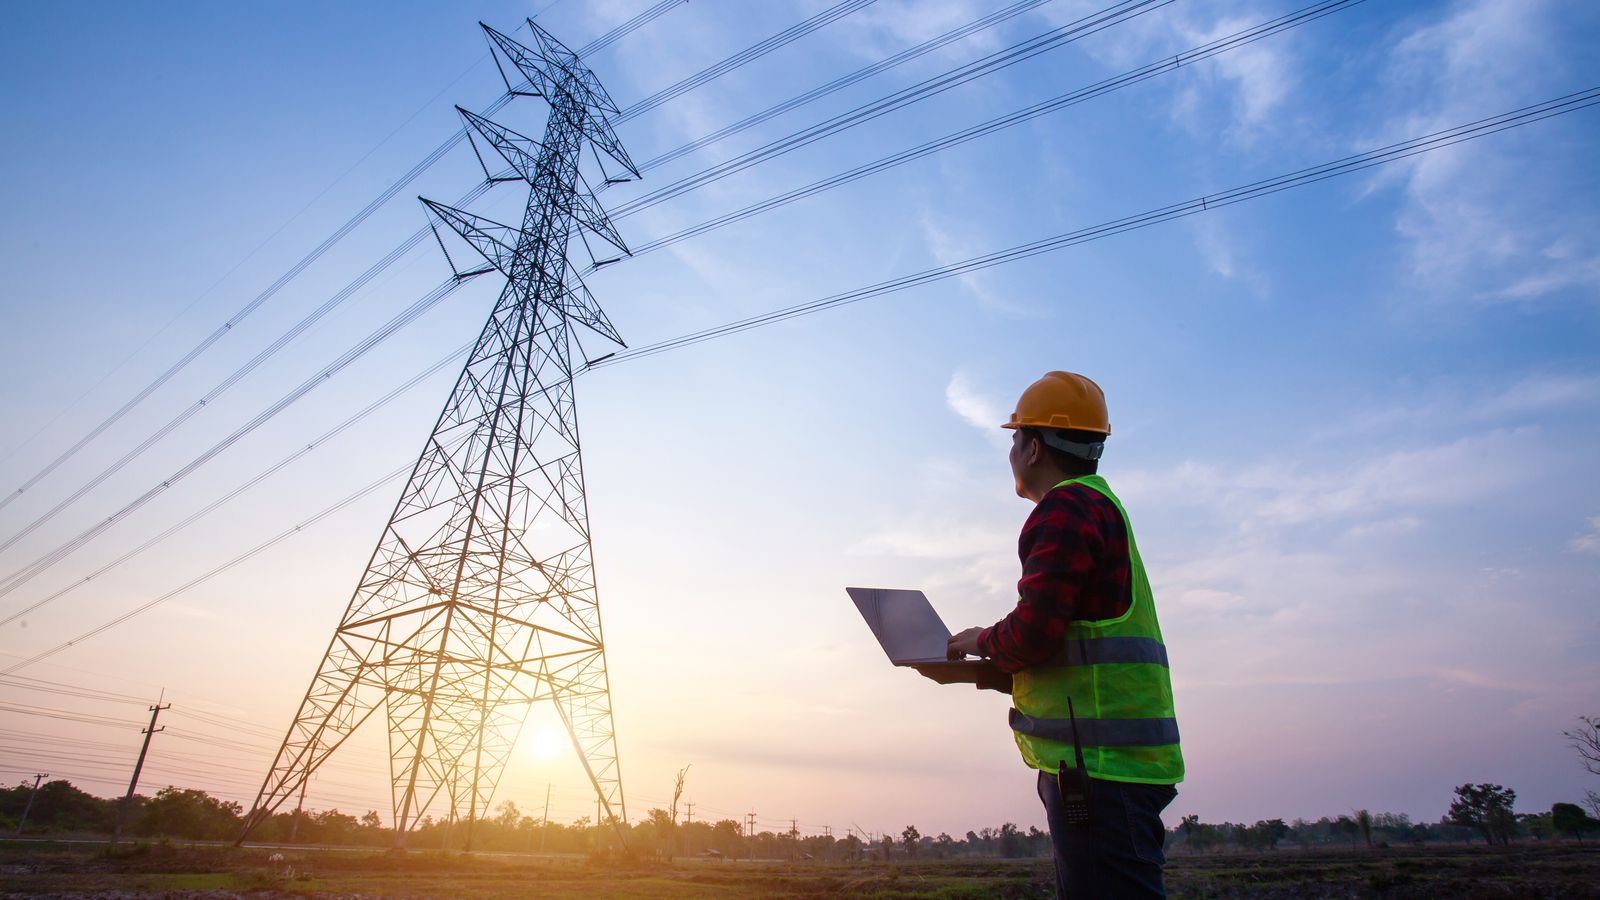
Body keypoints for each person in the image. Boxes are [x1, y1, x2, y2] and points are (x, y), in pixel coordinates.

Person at [920, 371, 1183, 898]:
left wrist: (978, 640)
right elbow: (1067, 649)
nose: (1011, 453)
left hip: (1100, 774)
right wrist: (980, 676)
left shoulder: (1065, 509)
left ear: (1035, 448)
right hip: (1113, 771)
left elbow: (1034, 632)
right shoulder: (1100, 506)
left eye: (1014, 439)